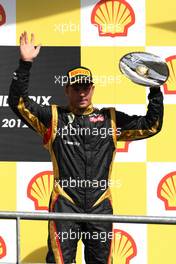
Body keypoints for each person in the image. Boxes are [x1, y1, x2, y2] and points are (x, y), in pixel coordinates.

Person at [8, 32, 164, 264]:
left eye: (86, 87)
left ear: (92, 89)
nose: (81, 92)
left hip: (99, 204)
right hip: (64, 203)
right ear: (67, 90)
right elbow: (18, 103)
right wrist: (25, 63)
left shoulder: (110, 119)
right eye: (76, 88)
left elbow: (151, 125)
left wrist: (153, 88)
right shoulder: (53, 117)